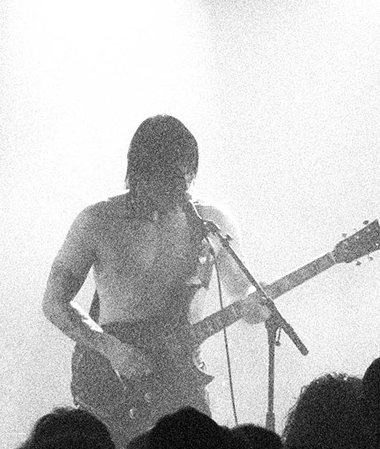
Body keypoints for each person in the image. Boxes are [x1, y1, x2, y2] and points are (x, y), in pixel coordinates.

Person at [43, 115, 240, 427]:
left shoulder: (211, 221)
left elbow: (239, 289)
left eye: (180, 180)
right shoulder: (98, 220)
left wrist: (256, 303)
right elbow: (54, 302)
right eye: (159, 178)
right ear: (137, 173)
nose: (171, 190)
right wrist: (112, 350)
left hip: (183, 376)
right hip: (113, 377)